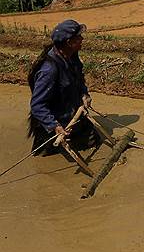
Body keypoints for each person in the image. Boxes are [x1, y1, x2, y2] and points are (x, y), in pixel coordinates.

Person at [28, 20, 97, 156]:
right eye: (78, 37)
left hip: (72, 114)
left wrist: (84, 94)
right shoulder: (49, 71)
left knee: (94, 141)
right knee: (46, 159)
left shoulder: (72, 55)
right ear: (69, 42)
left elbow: (78, 78)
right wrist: (54, 125)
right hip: (55, 122)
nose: (82, 39)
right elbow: (37, 105)